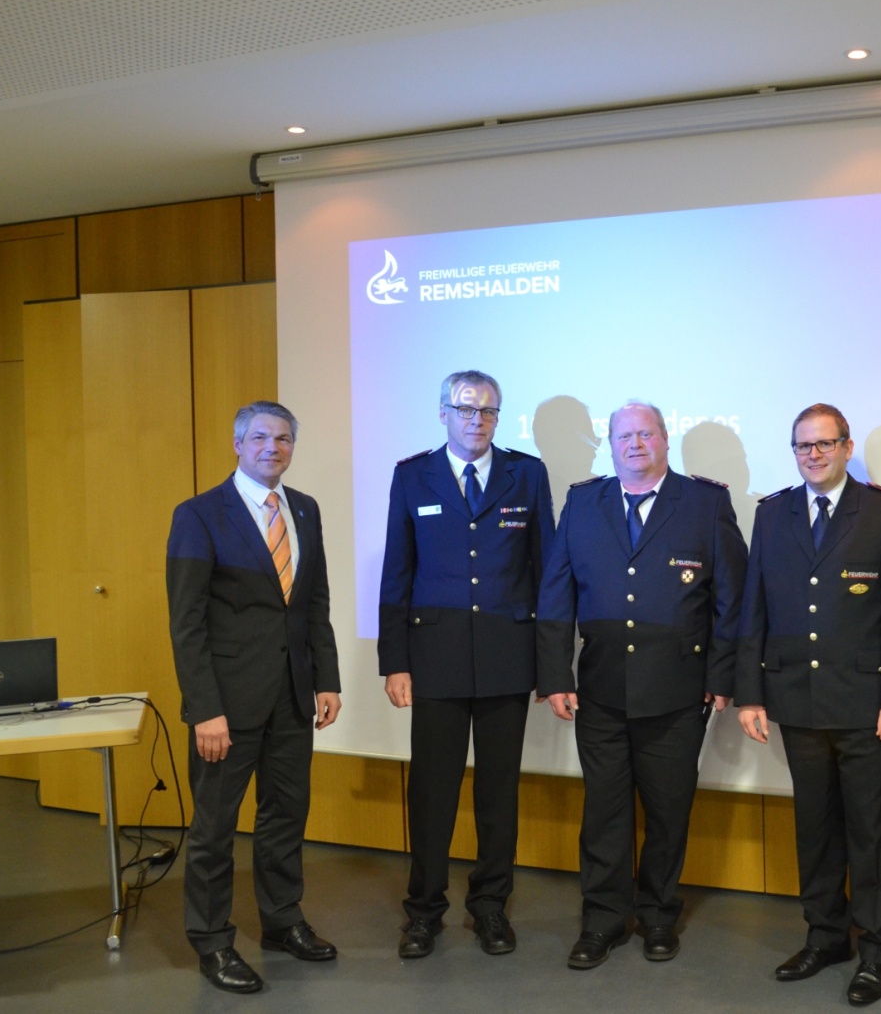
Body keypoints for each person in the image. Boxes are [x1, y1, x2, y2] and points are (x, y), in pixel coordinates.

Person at [536, 402, 746, 969]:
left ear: (664, 439)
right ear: (609, 444)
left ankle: (657, 916)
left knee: (667, 811)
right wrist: (554, 674)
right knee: (604, 813)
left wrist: (722, 675)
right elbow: (555, 593)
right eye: (624, 435)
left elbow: (731, 598)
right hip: (600, 688)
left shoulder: (704, 503)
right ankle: (602, 920)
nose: (635, 444)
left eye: (645, 434)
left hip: (678, 691)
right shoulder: (584, 502)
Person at [735, 404, 881, 1006]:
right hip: (797, 698)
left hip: (867, 705)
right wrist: (750, 692)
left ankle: (878, 950)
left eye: (825, 444)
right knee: (814, 828)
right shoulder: (773, 513)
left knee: (872, 833)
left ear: (846, 447)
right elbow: (754, 607)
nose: (813, 455)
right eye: (803, 446)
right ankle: (825, 936)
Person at [166, 401, 342, 994]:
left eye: (284, 438)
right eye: (261, 437)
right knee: (215, 829)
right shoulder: (199, 514)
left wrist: (326, 679)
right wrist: (204, 710)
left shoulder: (305, 508)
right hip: (226, 707)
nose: (274, 447)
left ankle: (282, 921)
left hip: (292, 698)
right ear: (238, 444)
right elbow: (187, 623)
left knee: (285, 817)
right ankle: (212, 941)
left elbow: (314, 603)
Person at [378, 370, 555, 959]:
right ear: (444, 414)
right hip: (435, 659)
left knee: (499, 794)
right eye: (465, 409)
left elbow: (546, 572)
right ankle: (424, 911)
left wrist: (549, 664)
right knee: (433, 793)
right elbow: (397, 572)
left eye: (488, 410)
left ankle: (490, 907)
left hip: (508, 657)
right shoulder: (413, 475)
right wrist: (394, 662)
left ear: (498, 417)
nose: (477, 419)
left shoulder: (527, 474)